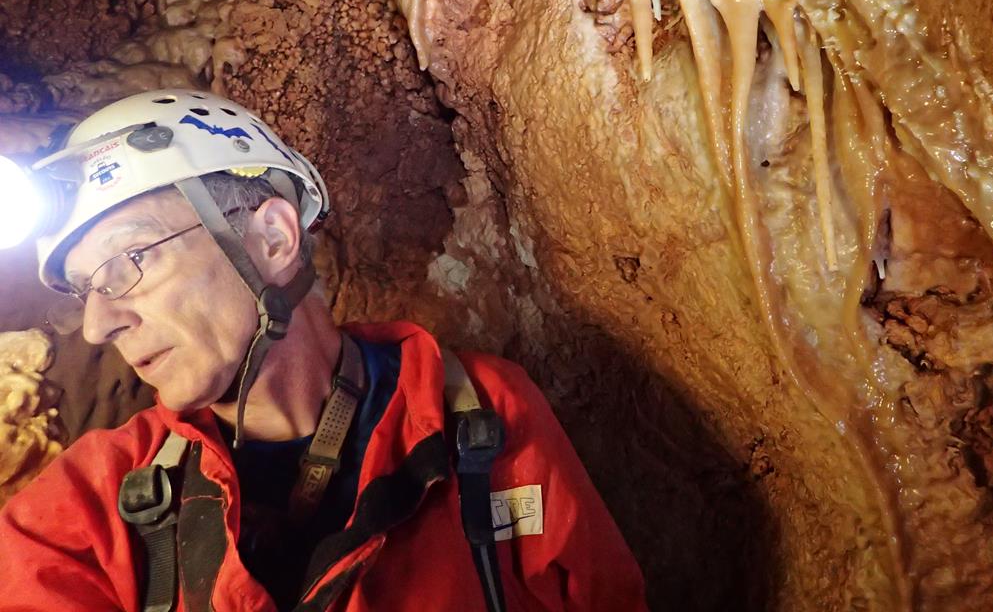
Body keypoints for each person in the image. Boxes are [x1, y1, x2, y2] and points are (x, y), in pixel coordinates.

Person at [0, 89, 647, 612]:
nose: (97, 325)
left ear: (274, 241)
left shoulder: (473, 415)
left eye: (127, 262)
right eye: (85, 290)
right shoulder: (89, 509)